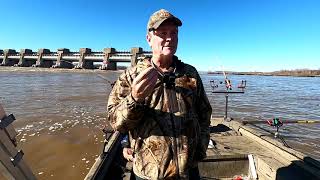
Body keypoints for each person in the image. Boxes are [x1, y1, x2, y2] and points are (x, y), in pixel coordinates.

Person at [107, 9, 212, 179]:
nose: (169, 38)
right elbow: (116, 123)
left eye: (174, 33)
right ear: (149, 39)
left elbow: (204, 113)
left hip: (188, 171)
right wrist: (135, 98)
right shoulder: (131, 76)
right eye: (162, 33)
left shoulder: (190, 73)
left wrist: (201, 147)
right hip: (149, 174)